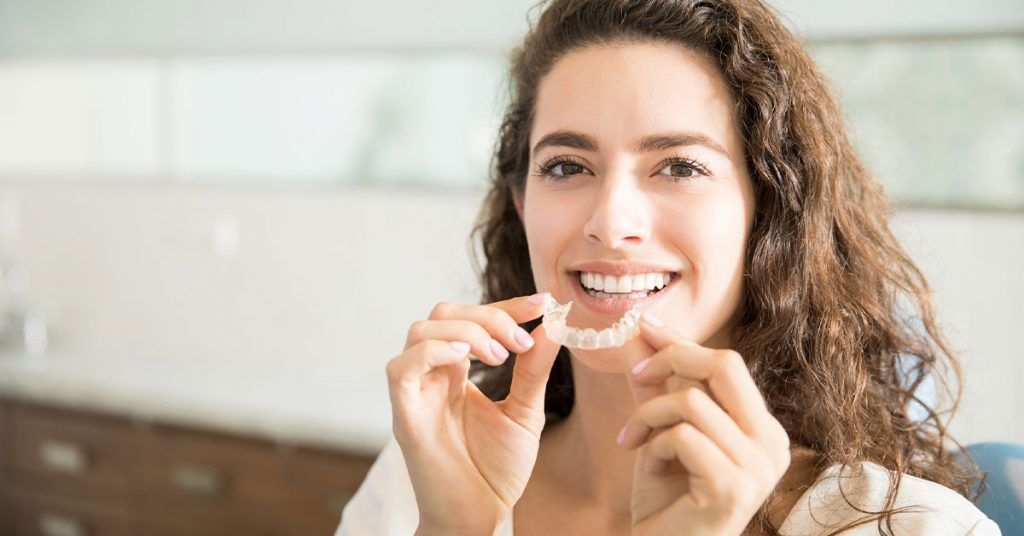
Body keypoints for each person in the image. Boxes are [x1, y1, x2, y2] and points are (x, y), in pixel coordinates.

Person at [338, 0, 1001, 534]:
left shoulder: (914, 528)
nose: (610, 221)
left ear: (768, 211)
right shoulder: (422, 479)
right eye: (566, 166)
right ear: (521, 204)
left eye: (679, 166)